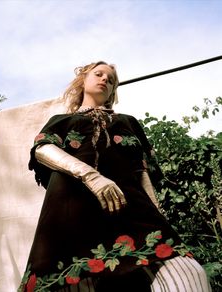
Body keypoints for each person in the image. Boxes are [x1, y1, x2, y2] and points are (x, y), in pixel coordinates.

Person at [18, 61, 211, 292]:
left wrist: (158, 214)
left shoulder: (127, 122)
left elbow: (141, 170)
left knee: (190, 274)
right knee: (72, 282)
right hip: (72, 209)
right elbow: (42, 149)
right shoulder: (62, 121)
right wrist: (91, 176)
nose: (104, 80)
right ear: (83, 80)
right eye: (99, 74)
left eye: (110, 80)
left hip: (131, 208)